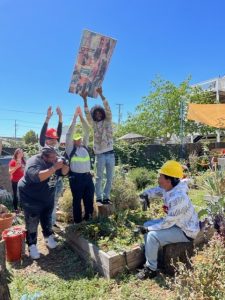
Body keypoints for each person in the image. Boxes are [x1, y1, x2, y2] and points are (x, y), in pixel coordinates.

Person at [136, 160, 200, 280]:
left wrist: (148, 229)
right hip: (177, 223)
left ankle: (151, 269)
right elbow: (157, 190)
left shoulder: (179, 198)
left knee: (151, 235)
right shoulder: (170, 187)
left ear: (169, 180)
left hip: (186, 231)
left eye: (160, 176)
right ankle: (151, 255)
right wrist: (145, 194)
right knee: (147, 224)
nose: (158, 179)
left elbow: (167, 223)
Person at [18, 146, 69, 260]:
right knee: (32, 220)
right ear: (44, 157)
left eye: (56, 156)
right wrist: (54, 167)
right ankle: (32, 245)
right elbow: (38, 177)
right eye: (52, 157)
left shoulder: (55, 159)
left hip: (47, 195)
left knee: (47, 216)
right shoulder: (33, 162)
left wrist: (65, 164)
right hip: (30, 196)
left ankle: (48, 236)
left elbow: (64, 173)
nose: (55, 158)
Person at [82, 87, 114, 206]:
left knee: (110, 178)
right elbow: (87, 116)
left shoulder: (108, 120)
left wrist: (101, 94)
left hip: (110, 153)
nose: (99, 114)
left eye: (100, 112)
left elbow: (108, 108)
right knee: (99, 177)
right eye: (96, 113)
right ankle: (99, 198)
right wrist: (85, 100)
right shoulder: (94, 125)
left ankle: (106, 197)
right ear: (94, 115)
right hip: (100, 154)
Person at [65, 106, 94, 223]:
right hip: (76, 178)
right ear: (73, 140)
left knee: (89, 199)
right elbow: (68, 134)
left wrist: (81, 116)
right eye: (76, 139)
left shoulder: (85, 147)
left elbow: (87, 130)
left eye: (80, 139)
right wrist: (75, 117)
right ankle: (77, 222)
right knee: (77, 200)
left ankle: (89, 219)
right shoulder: (70, 149)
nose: (79, 140)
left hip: (87, 177)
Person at [40, 106, 63, 230]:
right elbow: (42, 135)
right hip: (47, 182)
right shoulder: (44, 147)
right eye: (50, 139)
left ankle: (52, 223)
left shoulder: (56, 147)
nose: (53, 140)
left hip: (58, 181)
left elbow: (58, 133)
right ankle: (47, 226)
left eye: (54, 139)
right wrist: (48, 118)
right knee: (48, 204)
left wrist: (60, 117)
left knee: (55, 203)